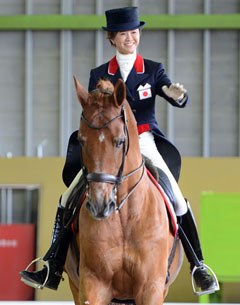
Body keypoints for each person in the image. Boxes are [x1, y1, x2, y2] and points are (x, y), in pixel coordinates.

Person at [20, 6, 219, 296]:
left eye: (135, 32)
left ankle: (198, 265)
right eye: (124, 33)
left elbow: (167, 90)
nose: (131, 38)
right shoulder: (100, 74)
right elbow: (93, 110)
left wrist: (178, 94)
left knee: (176, 196)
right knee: (67, 197)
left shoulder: (152, 69)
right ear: (112, 38)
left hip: (143, 140)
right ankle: (52, 263)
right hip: (108, 146)